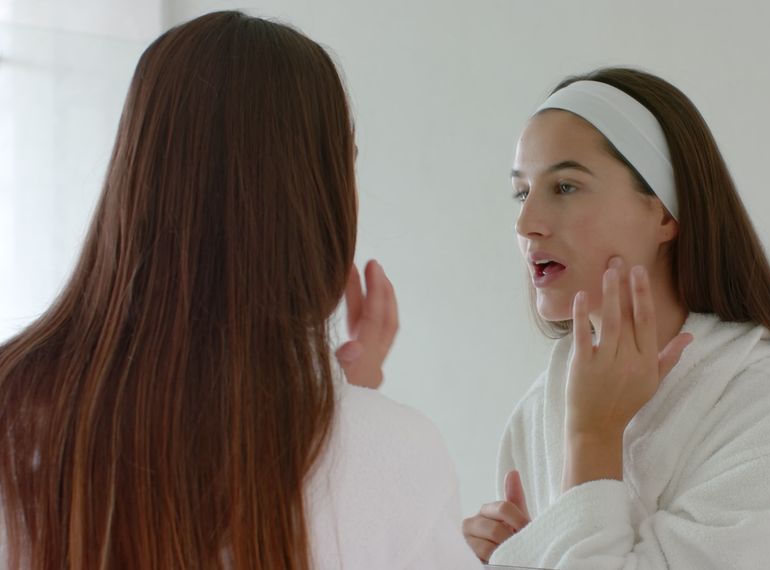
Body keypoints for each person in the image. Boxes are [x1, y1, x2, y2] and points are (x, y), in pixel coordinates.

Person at [0, 11, 481, 570]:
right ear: (317, 197)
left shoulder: (16, 411)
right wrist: (351, 412)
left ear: (135, 170)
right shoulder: (397, 457)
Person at [463, 67, 770, 569]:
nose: (526, 223)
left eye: (565, 187)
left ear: (665, 213)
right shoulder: (542, 409)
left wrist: (593, 441)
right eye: (521, 192)